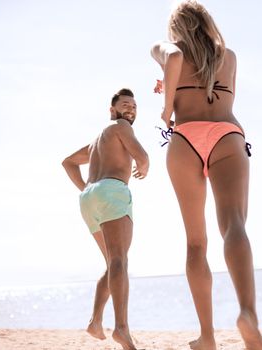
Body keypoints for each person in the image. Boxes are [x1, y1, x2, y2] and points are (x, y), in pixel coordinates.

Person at [151, 1, 262, 349]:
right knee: (233, 225)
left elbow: (172, 59)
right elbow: (220, 98)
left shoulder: (167, 47)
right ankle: (247, 313)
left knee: (195, 242)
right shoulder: (228, 56)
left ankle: (207, 336)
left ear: (176, 26)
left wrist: (166, 106)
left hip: (185, 138)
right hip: (227, 135)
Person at [62, 88, 148, 350]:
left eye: (134, 106)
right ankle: (121, 328)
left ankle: (95, 321)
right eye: (125, 104)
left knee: (113, 263)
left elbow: (67, 162)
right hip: (112, 191)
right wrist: (144, 166)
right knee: (120, 260)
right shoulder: (121, 126)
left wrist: (88, 189)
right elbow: (142, 157)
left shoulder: (98, 141)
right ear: (113, 111)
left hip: (89, 199)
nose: (130, 109)